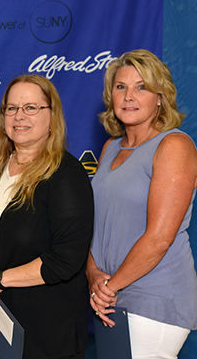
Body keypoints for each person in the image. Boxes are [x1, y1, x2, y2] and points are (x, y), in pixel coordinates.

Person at [0, 75, 94, 359]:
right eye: (11, 108)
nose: (19, 116)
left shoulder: (66, 174)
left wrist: (0, 281)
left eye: (31, 108)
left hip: (45, 334)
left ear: (52, 116)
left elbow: (66, 259)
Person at [88, 49, 197, 357]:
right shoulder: (110, 147)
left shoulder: (174, 145)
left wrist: (109, 287)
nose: (129, 96)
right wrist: (94, 276)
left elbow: (160, 238)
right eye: (121, 86)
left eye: (142, 87)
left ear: (160, 97)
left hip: (155, 298)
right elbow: (97, 224)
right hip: (112, 296)